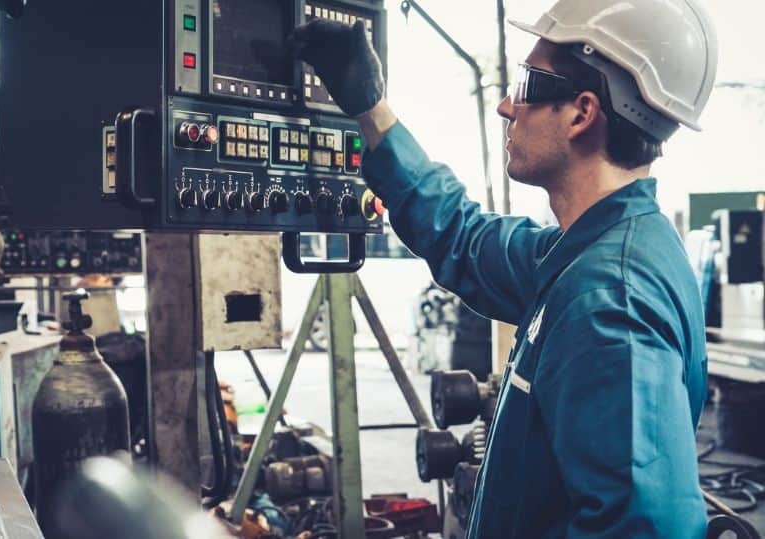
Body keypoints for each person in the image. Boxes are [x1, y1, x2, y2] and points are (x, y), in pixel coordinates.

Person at [291, 0, 718, 537]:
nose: (505, 107)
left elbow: (650, 528)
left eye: (528, 83)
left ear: (583, 113)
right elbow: (463, 235)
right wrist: (371, 109)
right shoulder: (587, 255)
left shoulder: (610, 299)